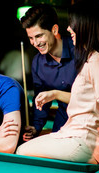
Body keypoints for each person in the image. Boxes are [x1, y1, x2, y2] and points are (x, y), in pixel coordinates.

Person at [16, 0, 99, 173]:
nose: (69, 28)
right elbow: (86, 99)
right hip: (71, 133)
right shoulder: (90, 58)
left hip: (83, 140)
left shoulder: (95, 61)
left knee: (21, 151)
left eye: (74, 24)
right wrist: (52, 97)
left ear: (86, 26)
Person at [20, 4, 77, 141]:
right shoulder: (38, 63)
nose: (35, 43)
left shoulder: (79, 52)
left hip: (89, 121)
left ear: (54, 29)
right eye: (31, 38)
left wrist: (55, 94)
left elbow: (91, 98)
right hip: (63, 120)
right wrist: (36, 127)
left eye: (39, 36)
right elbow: (41, 100)